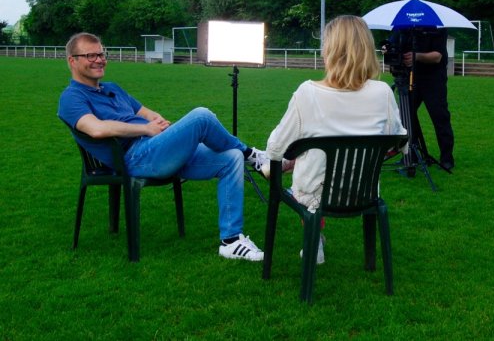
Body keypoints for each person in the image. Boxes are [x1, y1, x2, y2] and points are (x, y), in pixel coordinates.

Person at [58, 32, 265, 261]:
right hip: (135, 158)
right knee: (201, 116)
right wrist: (147, 129)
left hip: (156, 149)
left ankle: (231, 241)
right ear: (72, 61)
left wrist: (159, 124)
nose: (99, 59)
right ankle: (254, 156)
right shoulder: (71, 98)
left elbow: (146, 113)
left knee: (231, 157)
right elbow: (96, 129)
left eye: (101, 53)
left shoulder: (112, 88)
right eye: (90, 55)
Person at [249, 15, 407, 264]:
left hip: (317, 195)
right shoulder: (383, 93)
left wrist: (292, 157)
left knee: (304, 162)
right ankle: (318, 240)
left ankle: (314, 239)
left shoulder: (308, 93)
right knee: (312, 157)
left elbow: (275, 149)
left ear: (330, 50)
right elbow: (400, 142)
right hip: (364, 193)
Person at [400, 27, 455, 171]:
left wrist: (415, 56)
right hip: (412, 77)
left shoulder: (438, 29)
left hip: (434, 79)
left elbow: (437, 56)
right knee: (407, 117)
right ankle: (410, 154)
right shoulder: (405, 29)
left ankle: (447, 158)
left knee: (440, 117)